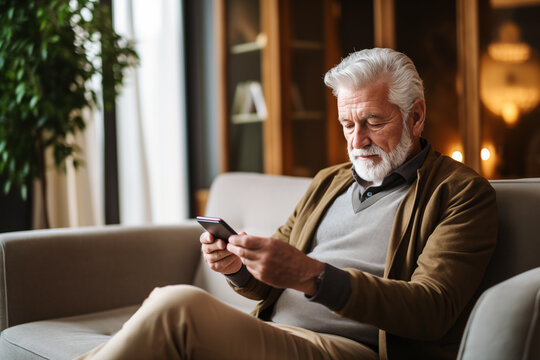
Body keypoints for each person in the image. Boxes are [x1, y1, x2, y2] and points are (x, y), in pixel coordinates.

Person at [77, 48, 497, 360]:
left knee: (176, 306)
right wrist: (238, 268)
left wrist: (314, 276)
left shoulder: (460, 193)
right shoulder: (328, 182)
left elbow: (433, 308)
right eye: (347, 124)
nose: (356, 141)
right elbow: (269, 281)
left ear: (416, 116)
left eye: (372, 122)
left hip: (348, 350)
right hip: (275, 334)